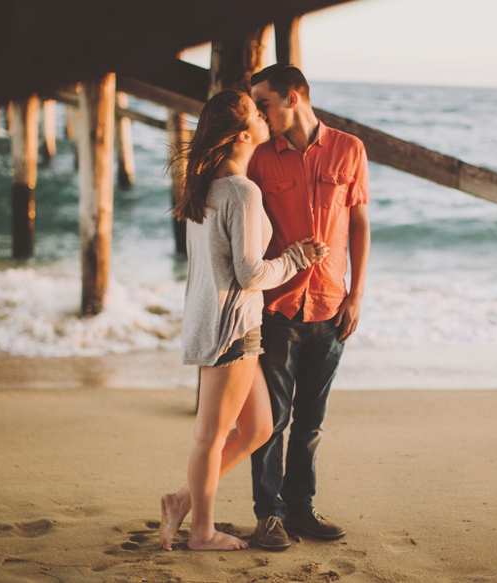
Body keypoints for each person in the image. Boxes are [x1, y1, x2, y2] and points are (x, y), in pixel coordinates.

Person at [159, 88, 329, 552]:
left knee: (256, 428)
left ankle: (181, 501)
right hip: (231, 325)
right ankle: (200, 532)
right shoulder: (241, 190)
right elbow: (250, 273)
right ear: (241, 133)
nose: (263, 118)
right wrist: (297, 257)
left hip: (218, 322)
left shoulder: (210, 186)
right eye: (256, 113)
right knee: (210, 436)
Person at [247, 64, 371, 551]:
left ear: (293, 97)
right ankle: (268, 516)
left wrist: (357, 294)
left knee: (311, 422)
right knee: (271, 420)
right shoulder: (259, 158)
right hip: (277, 309)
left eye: (264, 103)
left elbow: (359, 224)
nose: (259, 113)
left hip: (331, 308)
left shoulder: (349, 149)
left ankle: (301, 509)